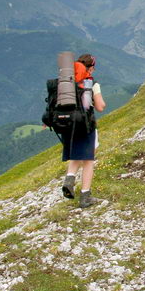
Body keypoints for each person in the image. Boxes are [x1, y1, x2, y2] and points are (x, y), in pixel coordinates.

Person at [61, 53, 106, 208]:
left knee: (76, 153)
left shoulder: (67, 82)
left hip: (67, 124)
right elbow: (100, 107)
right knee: (88, 160)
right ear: (91, 68)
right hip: (86, 125)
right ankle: (85, 196)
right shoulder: (91, 83)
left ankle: (70, 178)